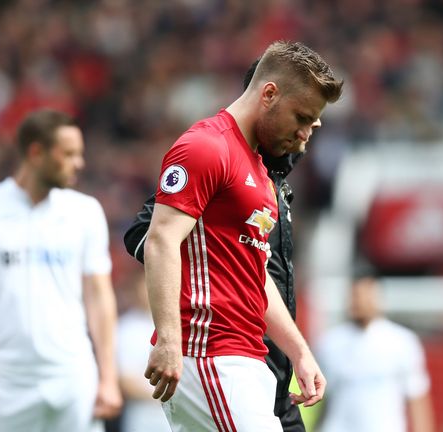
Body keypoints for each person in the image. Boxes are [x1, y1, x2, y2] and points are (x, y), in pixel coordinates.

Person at [141, 40, 343, 431]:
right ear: (269, 93)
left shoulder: (260, 172)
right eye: (301, 117)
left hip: (244, 358)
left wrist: (298, 350)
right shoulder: (205, 147)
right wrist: (169, 339)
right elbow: (160, 240)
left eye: (313, 124)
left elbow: (253, 271)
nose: (305, 135)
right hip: (209, 353)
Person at [0, 109, 122, 431]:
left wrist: (107, 376)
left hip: (72, 376)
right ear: (35, 152)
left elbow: (99, 297)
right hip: (2, 381)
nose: (79, 163)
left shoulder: (85, 212)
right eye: (68, 154)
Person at [315, 275, 435, 432]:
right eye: (356, 296)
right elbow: (323, 400)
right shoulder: (329, 343)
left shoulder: (402, 342)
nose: (361, 301)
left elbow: (417, 397)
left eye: (367, 295)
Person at [115, 277, 171, 432]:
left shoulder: (177, 327)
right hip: (143, 420)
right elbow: (125, 381)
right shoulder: (126, 327)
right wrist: (165, 398)